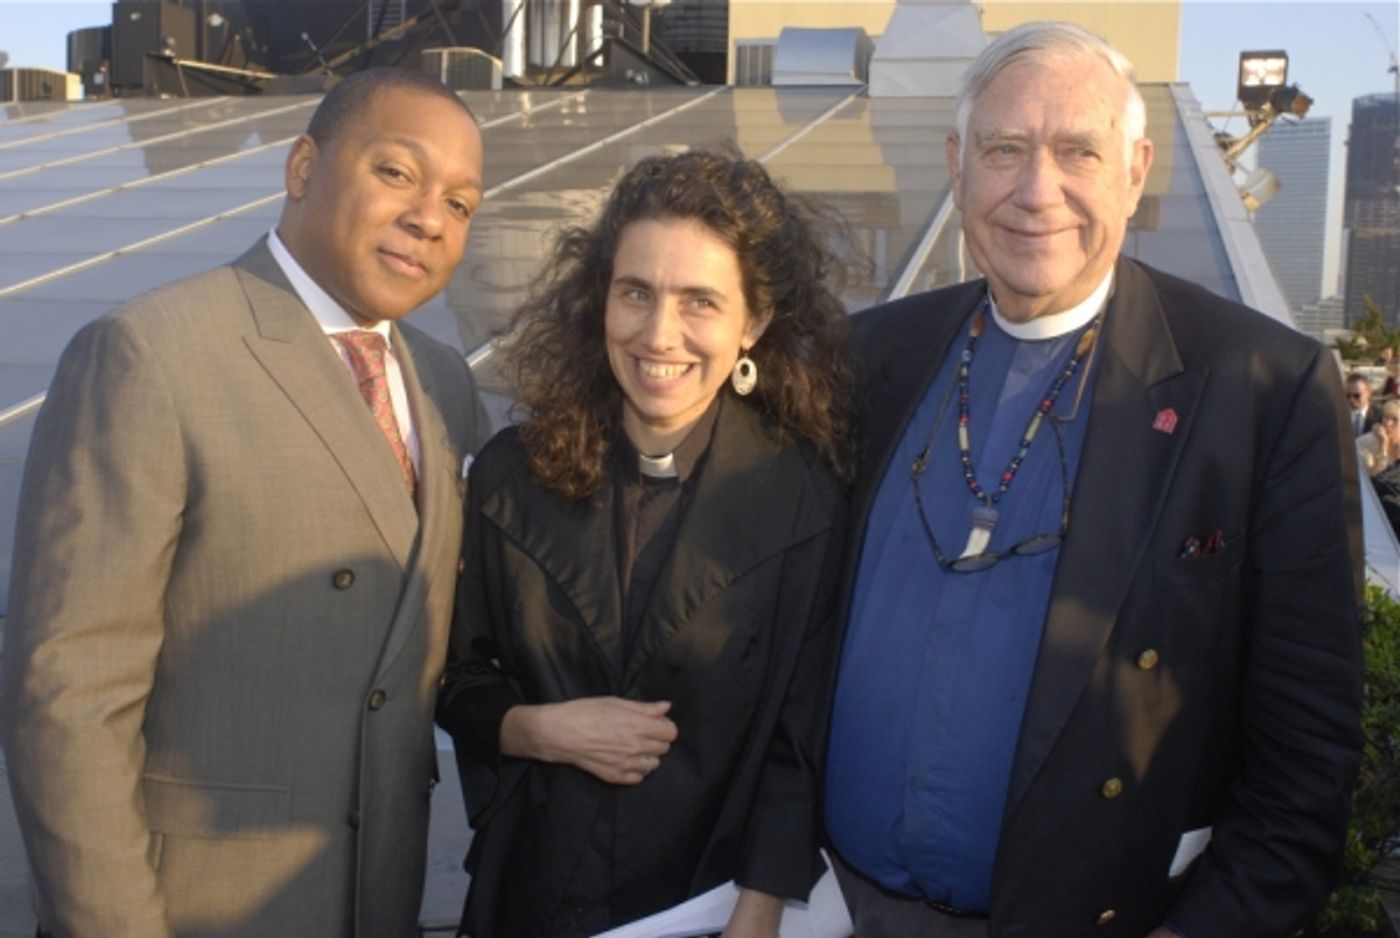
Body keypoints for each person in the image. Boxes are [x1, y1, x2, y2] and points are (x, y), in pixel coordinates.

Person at [823, 21, 1363, 938]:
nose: (1039, 192)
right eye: (1005, 150)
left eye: (1078, 150)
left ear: (1136, 168)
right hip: (829, 905)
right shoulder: (870, 353)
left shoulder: (1260, 389)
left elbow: (1306, 762)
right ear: (957, 164)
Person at [1, 67, 491, 937]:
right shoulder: (151, 353)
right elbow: (69, 698)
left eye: (460, 204)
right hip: (193, 907)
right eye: (397, 173)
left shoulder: (446, 384)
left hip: (375, 900)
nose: (430, 218)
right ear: (303, 167)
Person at [436, 149, 851, 938]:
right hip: (531, 896)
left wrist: (759, 911)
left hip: (707, 905)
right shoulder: (509, 476)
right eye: (636, 293)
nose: (660, 333)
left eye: (701, 301)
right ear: (601, 300)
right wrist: (540, 729)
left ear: (753, 323)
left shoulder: (806, 503)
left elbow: (802, 740)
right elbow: (456, 679)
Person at [1359, 400, 1400, 476]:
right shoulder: (1366, 442)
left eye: (1395, 419)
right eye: (1386, 417)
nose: (1388, 423)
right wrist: (1383, 444)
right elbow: (1374, 475)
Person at [1347, 371, 1382, 436]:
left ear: (1368, 393)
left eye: (1356, 395)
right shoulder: (1338, 415)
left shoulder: (1380, 416)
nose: (1351, 400)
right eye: (1348, 395)